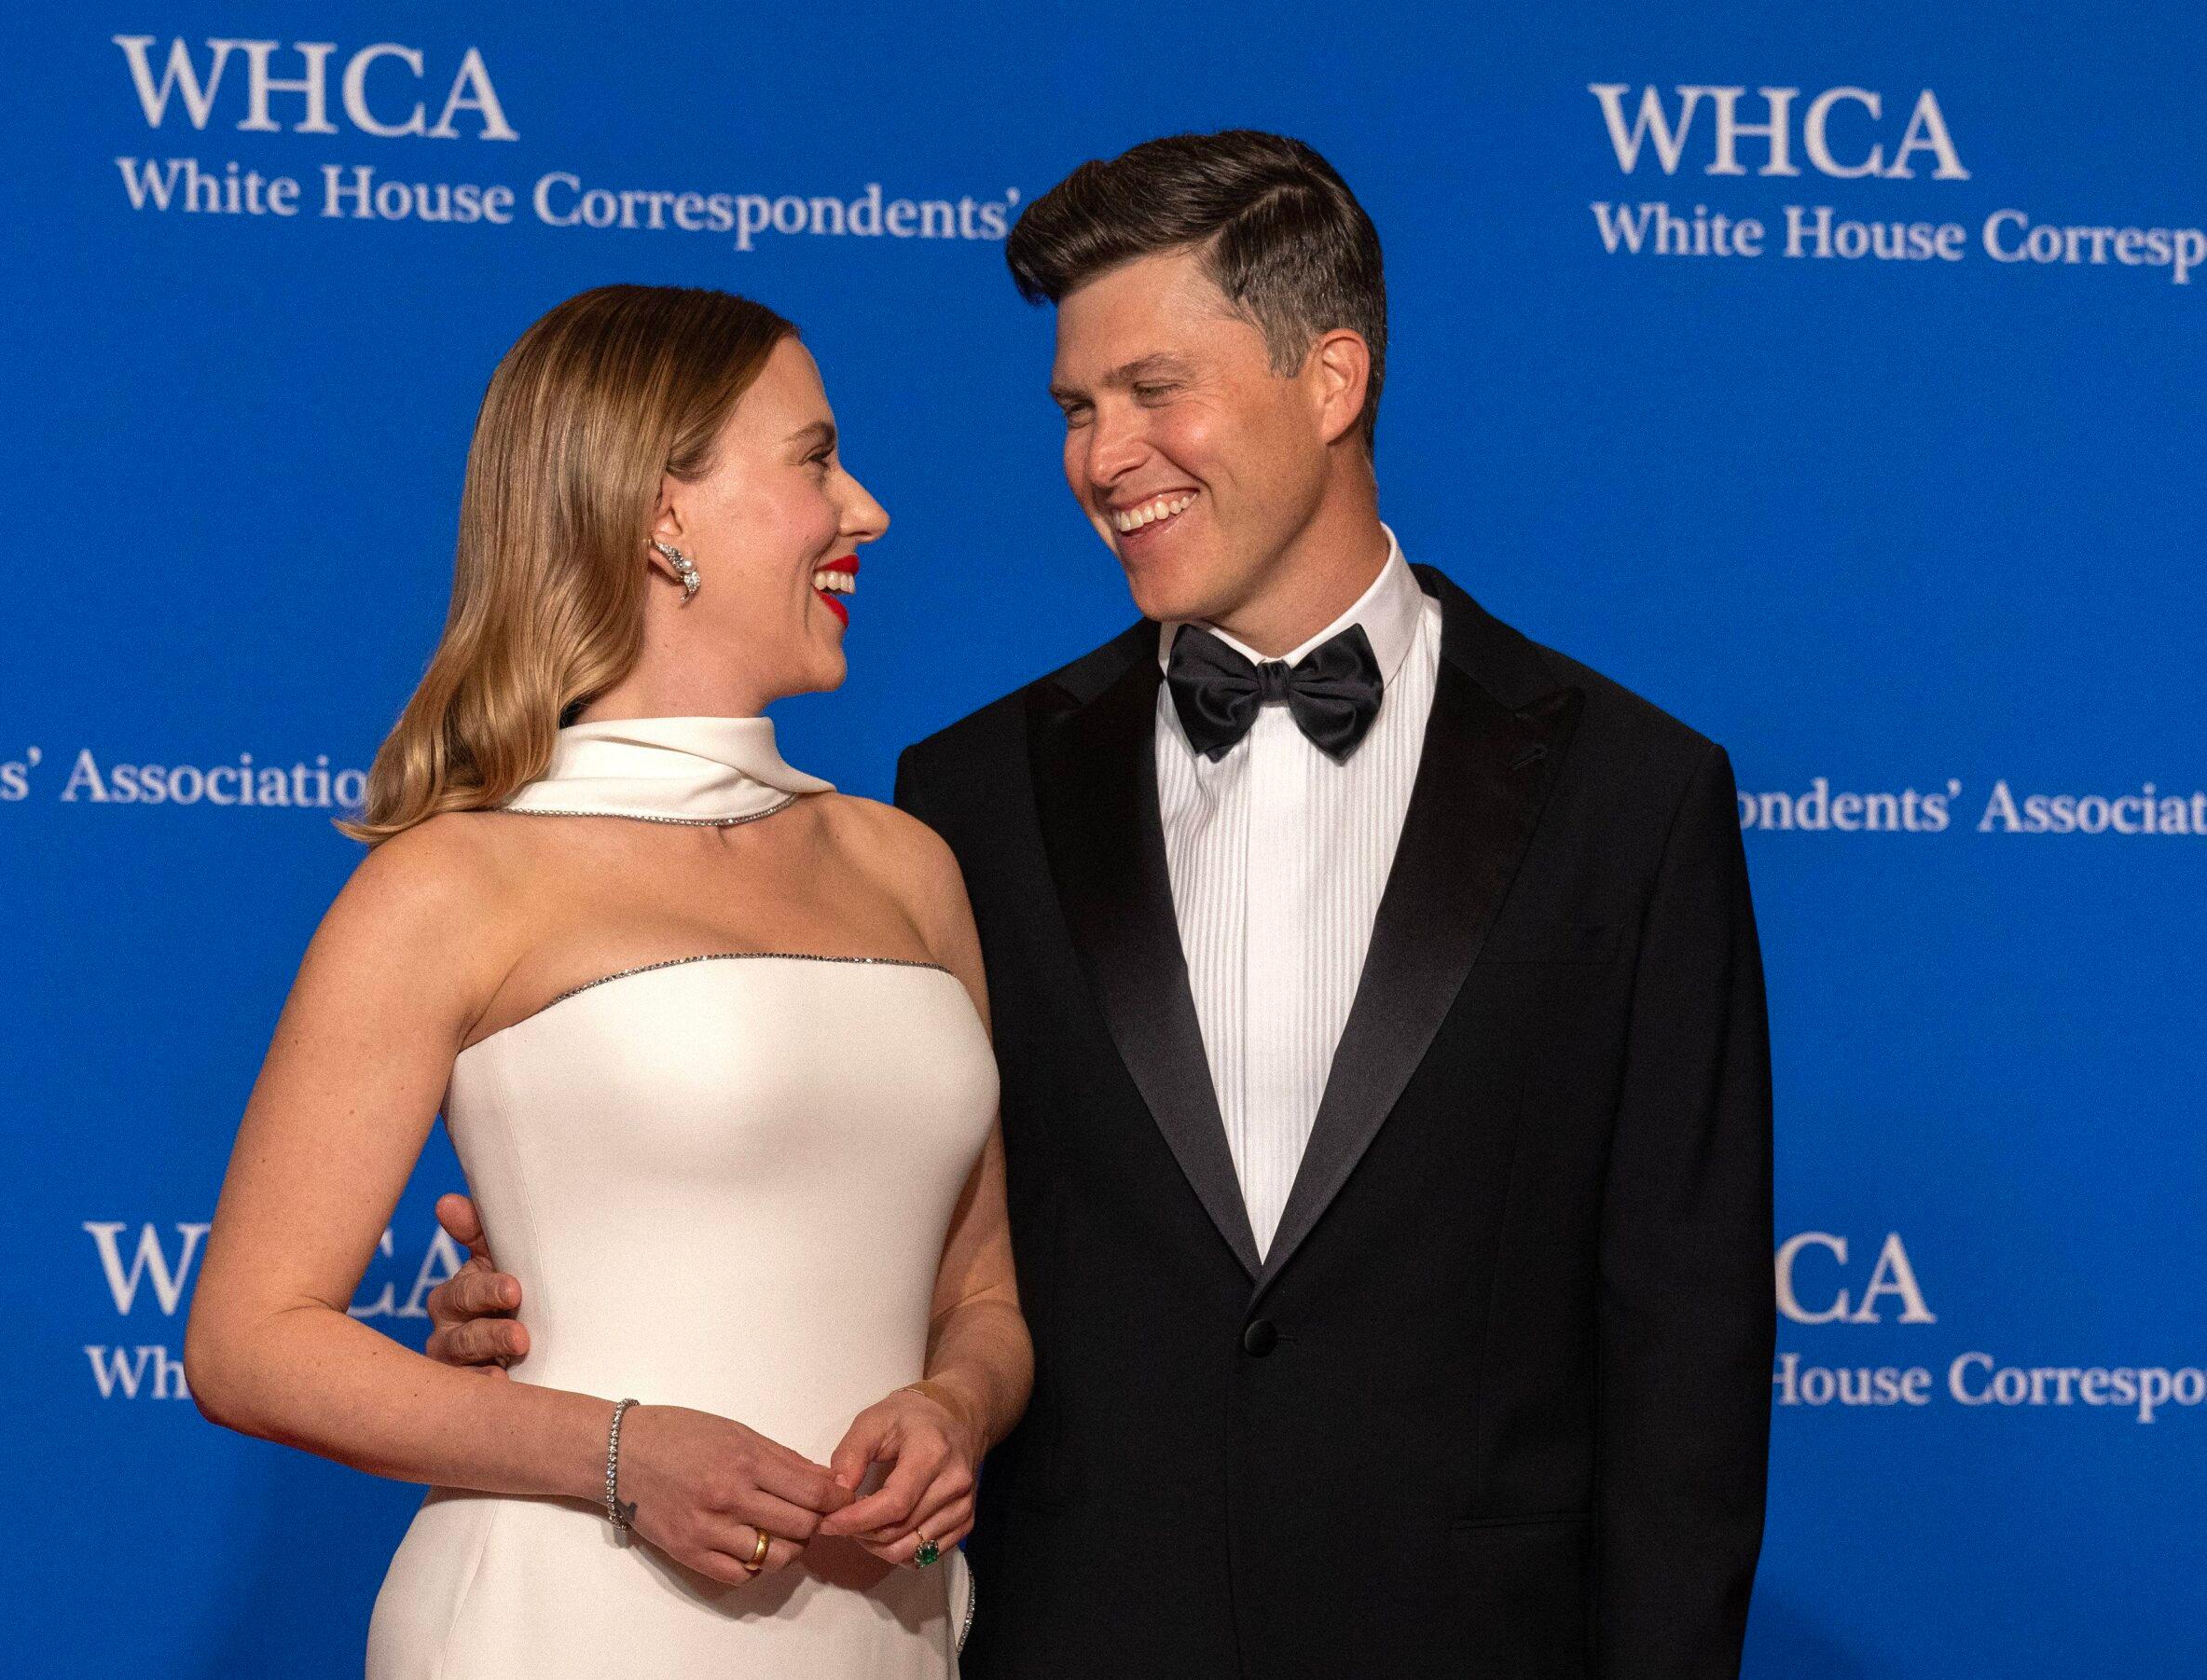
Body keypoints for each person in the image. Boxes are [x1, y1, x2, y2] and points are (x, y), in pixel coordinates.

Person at [430, 132, 1774, 1678]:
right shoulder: (968, 798)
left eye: (1153, 390)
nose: (1102, 454)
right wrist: (574, 1292)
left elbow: (1689, 1354)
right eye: (1077, 408)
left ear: (1331, 381)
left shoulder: (1631, 796)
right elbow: (888, 1219)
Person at [184, 283, 1028, 1678]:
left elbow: (984, 1297)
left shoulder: (907, 867)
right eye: (815, 459)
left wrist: (956, 1406)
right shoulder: (454, 882)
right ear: (659, 512)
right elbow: (248, 1340)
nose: (864, 508)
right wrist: (624, 1452)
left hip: (888, 1631)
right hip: (561, 1621)